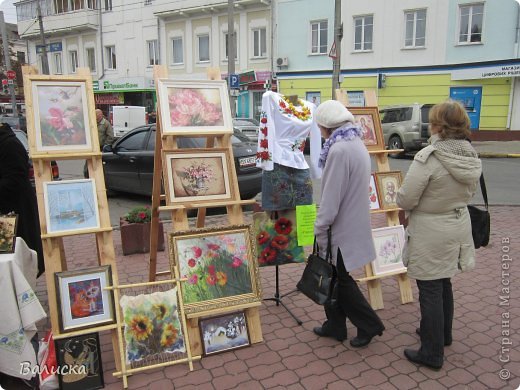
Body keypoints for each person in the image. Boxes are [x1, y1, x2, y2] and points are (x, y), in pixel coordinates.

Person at [396, 100, 481, 370]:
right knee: (443, 281)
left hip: (430, 228)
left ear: (437, 126)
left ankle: (432, 353)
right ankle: (442, 335)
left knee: (430, 287)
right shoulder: (469, 154)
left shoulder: (430, 157)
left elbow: (406, 197)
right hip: (457, 223)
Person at [312, 100, 385, 347]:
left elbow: (330, 198)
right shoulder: (355, 143)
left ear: (325, 126)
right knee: (334, 277)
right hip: (353, 223)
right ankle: (335, 325)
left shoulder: (339, 150)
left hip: (340, 229)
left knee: (340, 280)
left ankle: (369, 324)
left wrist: (320, 227)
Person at [0, 122, 45, 276]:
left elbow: (14, 181)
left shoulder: (9, 144)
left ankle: (19, 293)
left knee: (10, 260)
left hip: (9, 217)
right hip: (6, 214)